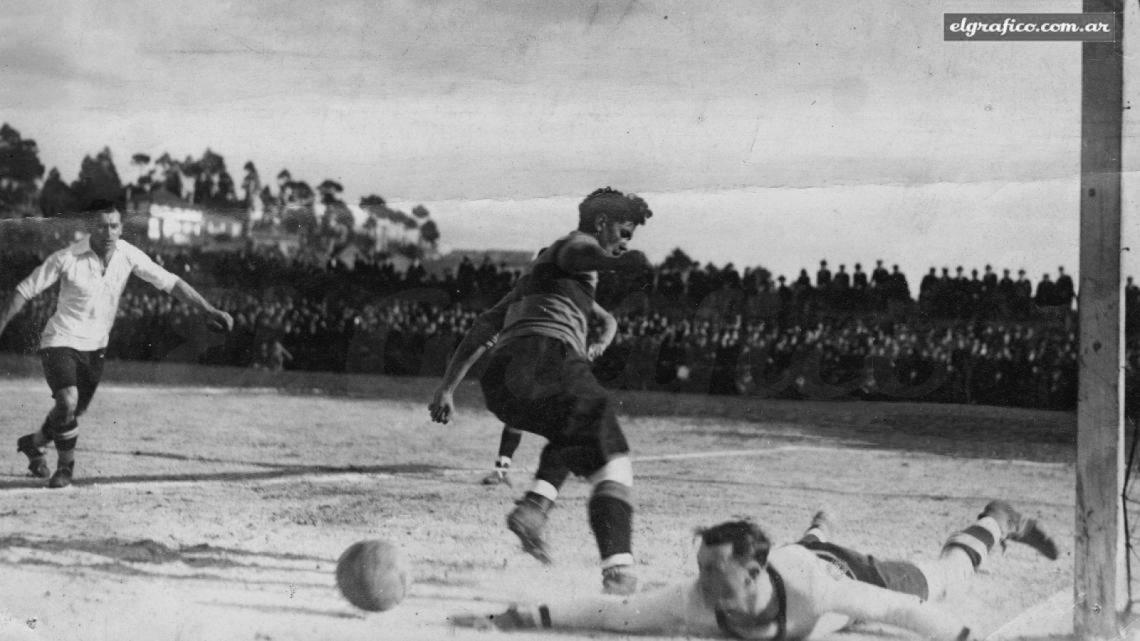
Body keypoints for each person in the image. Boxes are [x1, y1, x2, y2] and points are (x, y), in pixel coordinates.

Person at [428, 187, 652, 595]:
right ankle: (616, 570)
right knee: (609, 444)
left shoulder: (536, 278)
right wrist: (616, 263)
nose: (624, 244)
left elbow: (484, 326)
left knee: (581, 436)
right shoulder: (577, 247)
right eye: (623, 233)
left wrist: (447, 388)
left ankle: (537, 508)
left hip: (503, 382)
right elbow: (581, 253)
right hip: (546, 357)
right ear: (601, 223)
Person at [451, 500, 1058, 640]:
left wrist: (962, 638)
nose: (704, 585)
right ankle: (815, 527)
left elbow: (900, 611)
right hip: (793, 558)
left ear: (754, 570)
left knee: (945, 578)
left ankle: (997, 519)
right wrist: (513, 617)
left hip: (841, 569)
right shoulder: (695, 599)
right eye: (702, 571)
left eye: (717, 573)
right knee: (804, 544)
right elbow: (612, 614)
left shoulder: (814, 589)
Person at [0, 200, 233, 488]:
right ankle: (65, 468)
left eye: (114, 225)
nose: (109, 232)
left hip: (96, 346)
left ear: (121, 227)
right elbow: (24, 290)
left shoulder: (128, 254)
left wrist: (208, 309)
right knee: (67, 400)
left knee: (71, 411)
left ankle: (33, 443)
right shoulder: (67, 257)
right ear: (90, 227)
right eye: (102, 225)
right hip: (60, 338)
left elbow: (171, 282)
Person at [482, 301, 619, 487]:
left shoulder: (577, 293)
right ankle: (501, 469)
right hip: (538, 353)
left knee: (572, 416)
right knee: (520, 407)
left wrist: (602, 343)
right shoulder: (538, 290)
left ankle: (575, 468)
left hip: (569, 358)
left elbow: (609, 320)